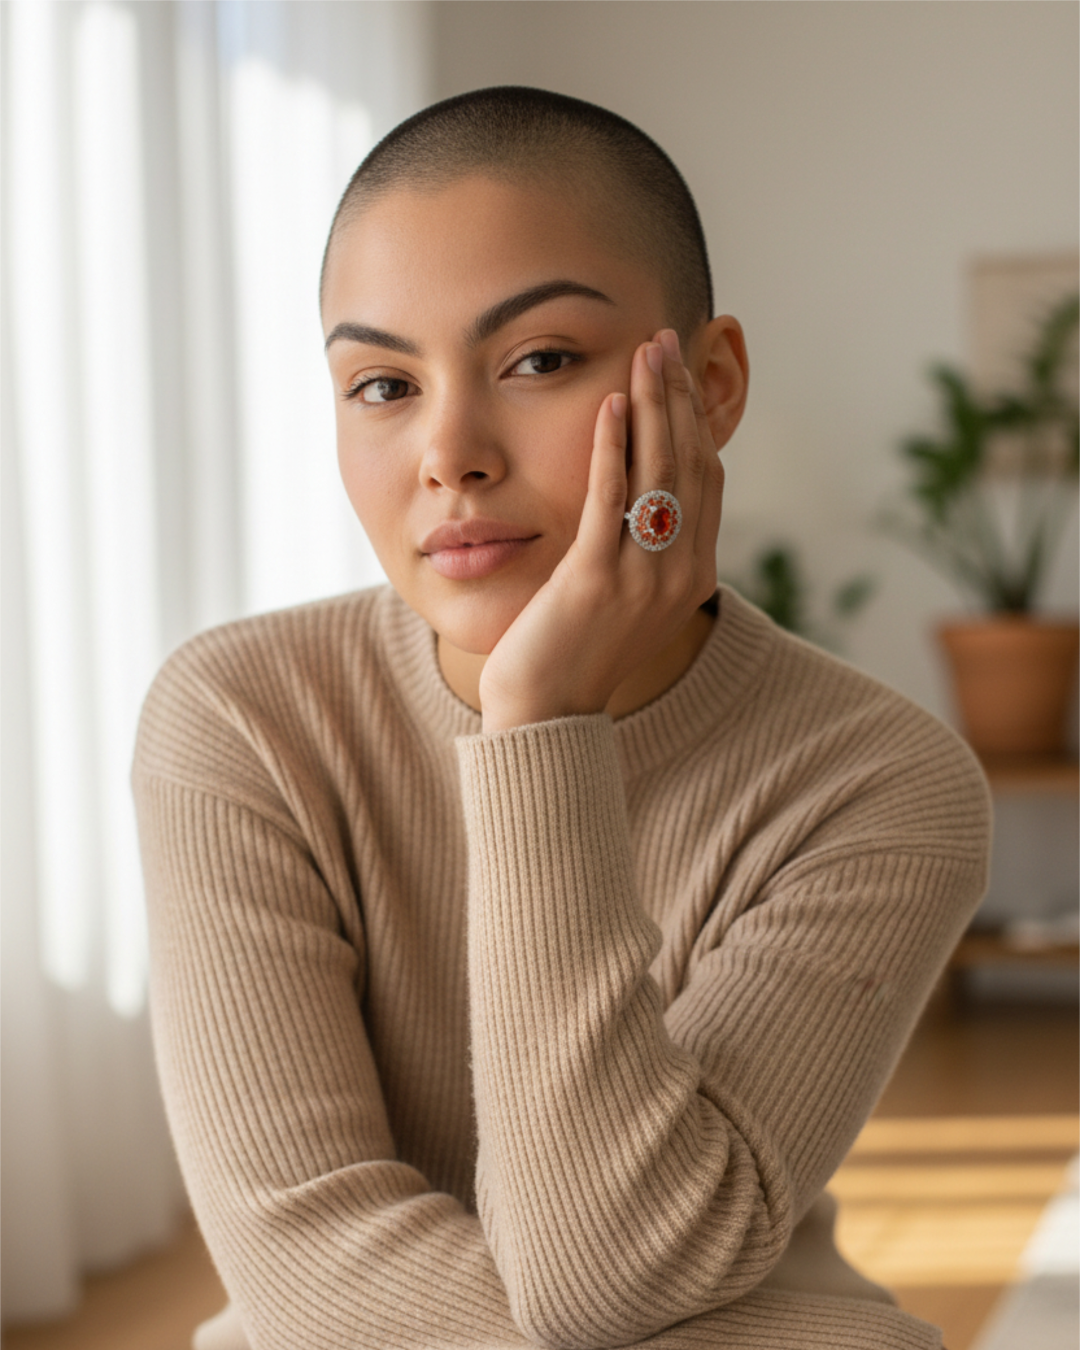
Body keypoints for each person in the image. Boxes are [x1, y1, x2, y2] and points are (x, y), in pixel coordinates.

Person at [133, 87, 990, 1350]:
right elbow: (308, 1263)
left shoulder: (880, 783)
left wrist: (538, 725)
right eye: (381, 384)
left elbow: (613, 1275)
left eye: (537, 361)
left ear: (708, 386)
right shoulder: (242, 719)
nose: (451, 454)